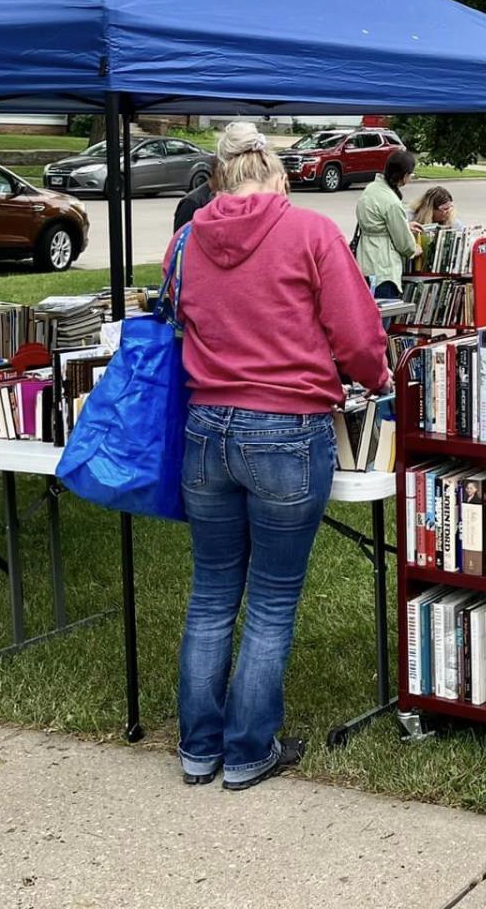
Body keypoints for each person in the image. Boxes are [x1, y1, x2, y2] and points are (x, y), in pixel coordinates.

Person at [164, 123, 388, 791]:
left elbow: (177, 318)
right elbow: (357, 335)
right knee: (271, 599)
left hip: (206, 428)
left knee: (210, 595)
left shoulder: (185, 239)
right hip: (287, 428)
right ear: (281, 178)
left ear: (220, 183)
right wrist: (376, 377)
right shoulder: (310, 232)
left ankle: (199, 748)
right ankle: (247, 750)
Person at [355, 149, 420, 296]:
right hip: (383, 268)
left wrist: (405, 226)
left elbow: (377, 223)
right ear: (404, 176)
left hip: (364, 262)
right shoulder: (392, 202)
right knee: (383, 315)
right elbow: (404, 245)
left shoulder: (371, 189)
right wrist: (414, 249)